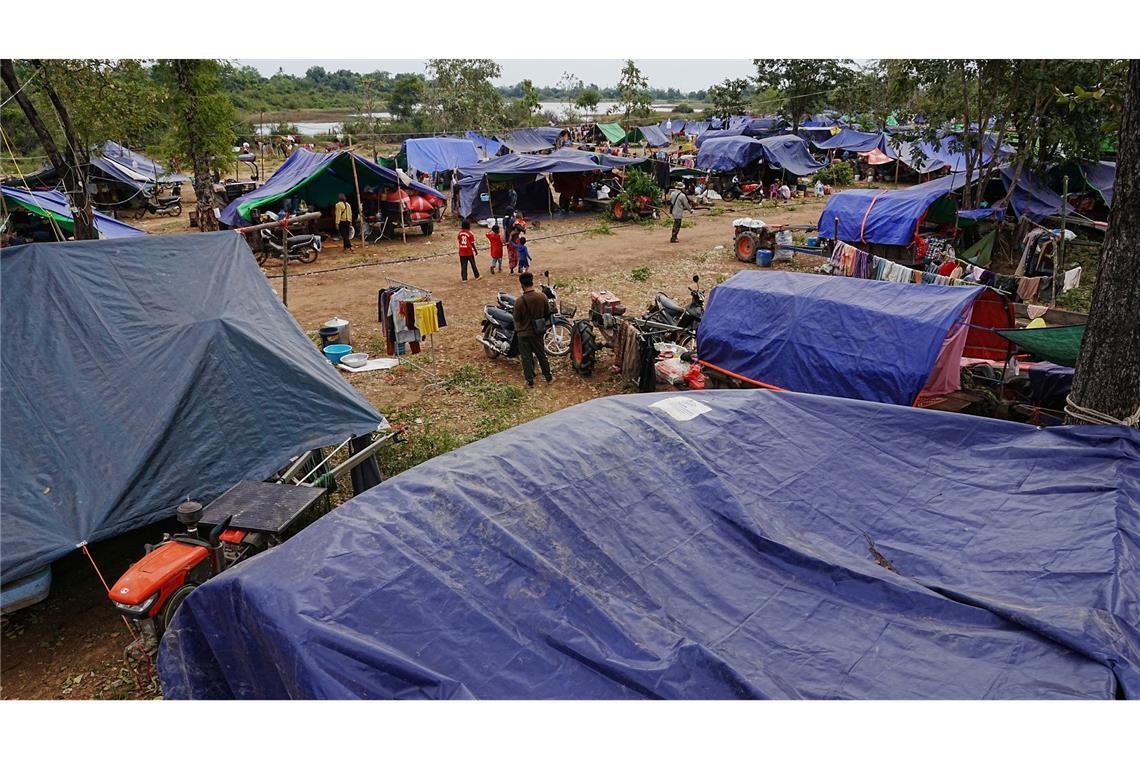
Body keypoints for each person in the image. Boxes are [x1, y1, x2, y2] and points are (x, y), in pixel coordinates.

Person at [512, 272, 553, 388]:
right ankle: (548, 377)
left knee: (526, 357)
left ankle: (530, 381)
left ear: (522, 285)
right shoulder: (542, 297)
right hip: (537, 332)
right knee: (541, 355)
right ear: (532, 282)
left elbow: (516, 318)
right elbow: (547, 313)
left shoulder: (519, 301)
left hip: (523, 334)